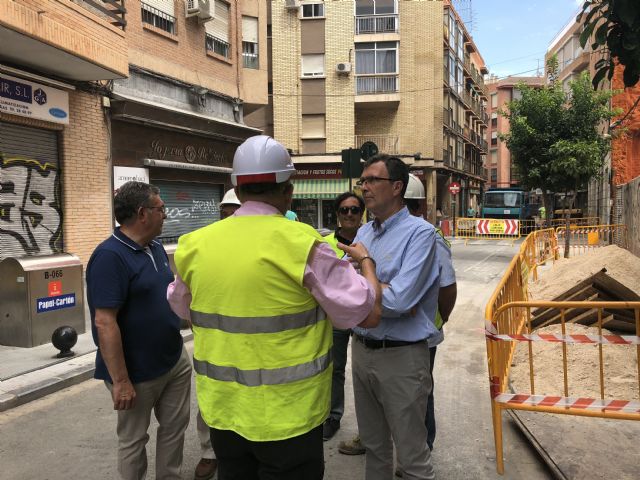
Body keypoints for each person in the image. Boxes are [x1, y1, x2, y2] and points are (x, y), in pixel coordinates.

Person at [168, 135, 382, 480]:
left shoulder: (193, 245)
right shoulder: (304, 244)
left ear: (237, 190)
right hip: (290, 417)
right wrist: (367, 262)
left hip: (224, 413)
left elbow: (181, 307)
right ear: (288, 191)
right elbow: (366, 313)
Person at [87, 181, 192, 480]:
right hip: (135, 373)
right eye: (161, 209)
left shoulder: (155, 247)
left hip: (173, 360)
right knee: (134, 440)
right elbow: (104, 321)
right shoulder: (109, 256)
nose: (166, 215)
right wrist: (121, 381)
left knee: (174, 429)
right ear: (142, 213)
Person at [349, 154, 439, 480]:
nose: (365, 187)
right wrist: (376, 288)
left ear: (397, 187)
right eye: (363, 181)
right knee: (374, 448)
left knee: (412, 457)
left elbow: (402, 300)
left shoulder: (421, 234)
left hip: (401, 357)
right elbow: (346, 290)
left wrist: (363, 276)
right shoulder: (364, 233)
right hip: (362, 350)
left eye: (373, 180)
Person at [403, 174, 457, 453]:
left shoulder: (430, 238)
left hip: (423, 333)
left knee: (420, 390)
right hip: (398, 331)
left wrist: (440, 319)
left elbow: (448, 288)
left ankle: (423, 443)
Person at [322, 192, 366, 441]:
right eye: (344, 210)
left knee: (366, 372)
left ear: (362, 213)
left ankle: (370, 428)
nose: (349, 214)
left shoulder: (370, 240)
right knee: (335, 368)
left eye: (355, 210)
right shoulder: (324, 244)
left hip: (366, 315)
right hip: (337, 315)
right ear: (337, 214)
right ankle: (333, 416)